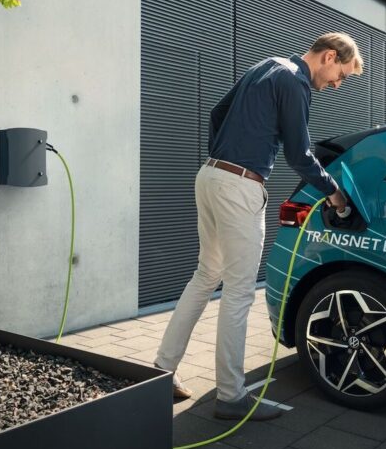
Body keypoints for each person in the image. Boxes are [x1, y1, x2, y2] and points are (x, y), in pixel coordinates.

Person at [154, 33, 364, 420]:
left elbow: (218, 113)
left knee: (206, 276)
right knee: (238, 291)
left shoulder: (266, 66)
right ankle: (232, 397)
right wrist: (335, 194)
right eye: (342, 75)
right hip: (240, 186)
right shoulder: (296, 82)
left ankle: (161, 372)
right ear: (330, 56)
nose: (338, 84)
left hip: (210, 176)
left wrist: (224, 159)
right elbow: (299, 154)